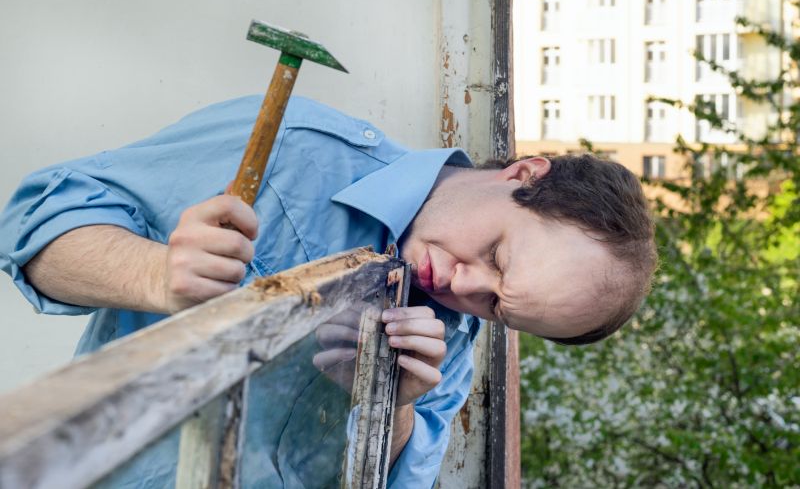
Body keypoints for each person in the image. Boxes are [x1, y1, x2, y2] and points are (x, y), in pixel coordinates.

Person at [0, 95, 656, 487]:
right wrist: (151, 273)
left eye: (496, 305)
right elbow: (32, 222)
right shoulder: (296, 145)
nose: (465, 286)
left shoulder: (451, 340)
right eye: (496, 254)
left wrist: (391, 403)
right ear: (523, 172)